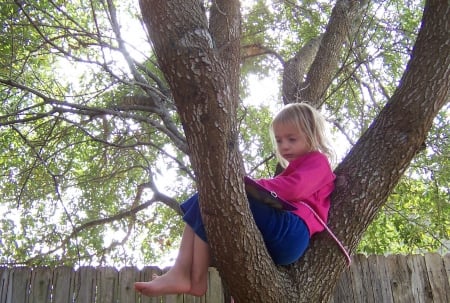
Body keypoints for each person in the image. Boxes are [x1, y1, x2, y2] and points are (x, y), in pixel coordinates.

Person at [134, 103, 336, 297]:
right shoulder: (293, 169)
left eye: (291, 139)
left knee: (214, 195)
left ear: (313, 136)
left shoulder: (318, 161)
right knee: (207, 200)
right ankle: (193, 278)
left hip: (292, 232)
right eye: (279, 140)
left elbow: (294, 189)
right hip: (280, 244)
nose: (284, 146)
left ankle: (183, 272)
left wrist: (246, 185)